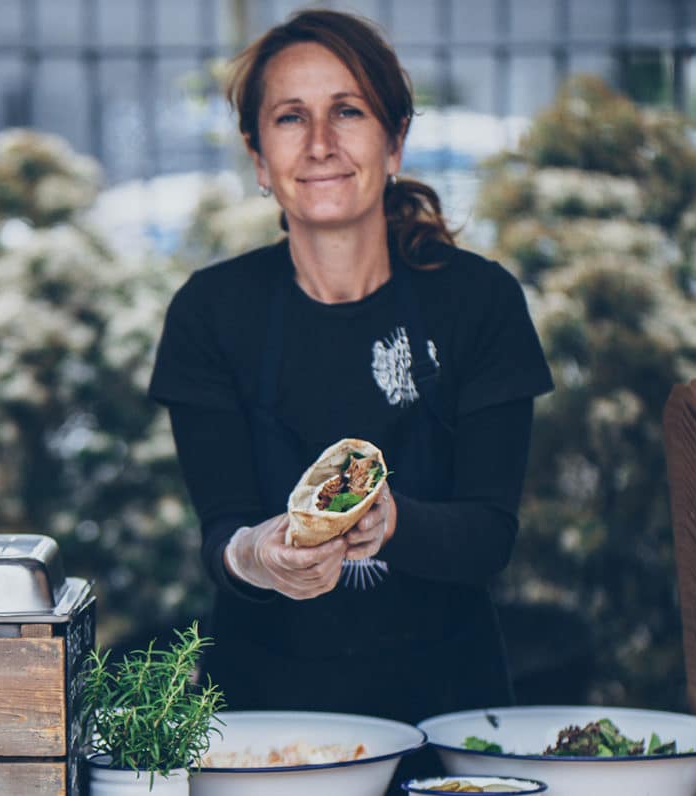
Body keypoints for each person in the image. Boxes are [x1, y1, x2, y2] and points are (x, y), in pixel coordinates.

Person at [148, 7, 554, 773]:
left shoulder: (480, 304)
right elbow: (221, 532)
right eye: (290, 117)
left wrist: (393, 522)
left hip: (451, 730)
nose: (321, 144)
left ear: (394, 140)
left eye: (349, 111)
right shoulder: (211, 314)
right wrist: (259, 555)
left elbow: (491, 534)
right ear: (258, 157)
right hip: (269, 736)